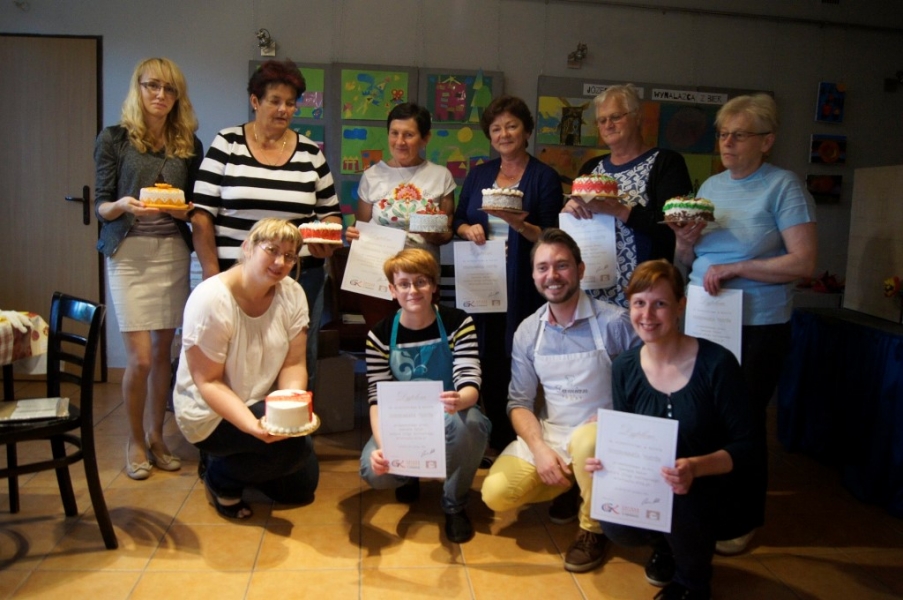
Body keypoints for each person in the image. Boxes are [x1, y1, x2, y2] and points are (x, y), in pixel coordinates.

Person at [671, 93, 817, 555]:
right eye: (722, 134)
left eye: (739, 135)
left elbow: (804, 263)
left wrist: (739, 268)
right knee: (703, 415)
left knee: (744, 420)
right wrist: (684, 242)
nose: (727, 143)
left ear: (767, 141)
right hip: (705, 317)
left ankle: (741, 517)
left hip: (757, 324)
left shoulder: (783, 187)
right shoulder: (711, 187)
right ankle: (705, 504)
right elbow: (688, 260)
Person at [585, 259, 764, 600]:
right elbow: (629, 434)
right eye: (639, 303)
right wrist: (608, 463)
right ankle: (666, 547)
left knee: (682, 497)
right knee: (614, 522)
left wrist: (695, 467)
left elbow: (748, 447)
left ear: (681, 306)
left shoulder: (717, 363)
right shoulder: (624, 367)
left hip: (713, 483)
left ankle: (693, 582)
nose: (647, 315)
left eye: (660, 304)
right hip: (660, 482)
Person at [480, 229, 638, 573]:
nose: (552, 275)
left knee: (587, 441)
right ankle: (572, 486)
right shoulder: (528, 331)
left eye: (562, 265)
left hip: (605, 436)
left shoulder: (616, 323)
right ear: (534, 275)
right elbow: (518, 402)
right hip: (554, 434)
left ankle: (593, 528)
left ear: (580, 270)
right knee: (496, 493)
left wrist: (618, 416)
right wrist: (539, 449)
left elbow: (647, 385)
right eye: (543, 267)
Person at [191, 59, 341, 394]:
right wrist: (212, 274)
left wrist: (326, 242)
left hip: (300, 277)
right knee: (234, 358)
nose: (284, 109)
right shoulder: (227, 143)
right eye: (275, 101)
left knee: (296, 359)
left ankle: (291, 422)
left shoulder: (310, 153)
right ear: (255, 101)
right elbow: (201, 215)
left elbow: (330, 213)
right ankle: (237, 424)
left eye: (290, 103)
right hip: (234, 276)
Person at [94, 57, 203, 480]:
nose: (160, 95)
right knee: (139, 359)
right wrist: (122, 205)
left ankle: (157, 437)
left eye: (169, 89)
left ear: (178, 96)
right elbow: (101, 204)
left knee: (163, 354)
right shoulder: (114, 138)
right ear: (137, 88)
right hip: (129, 255)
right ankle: (135, 439)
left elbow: (194, 205)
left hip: (172, 253)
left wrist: (183, 212)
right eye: (152, 86)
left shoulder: (188, 143)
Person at [173, 218, 318, 520]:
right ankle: (220, 477)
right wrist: (253, 427)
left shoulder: (292, 293)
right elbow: (209, 382)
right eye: (272, 250)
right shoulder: (211, 299)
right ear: (248, 247)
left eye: (289, 256)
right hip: (209, 413)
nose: (280, 262)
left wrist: (289, 408)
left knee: (301, 489)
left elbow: (294, 364)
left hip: (259, 400)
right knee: (293, 450)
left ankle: (243, 460)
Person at [453, 95, 563, 456]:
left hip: (523, 285)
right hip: (481, 282)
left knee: (520, 357)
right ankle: (497, 438)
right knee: (486, 357)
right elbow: (458, 219)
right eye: (496, 128)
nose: (504, 134)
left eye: (512, 126)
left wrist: (519, 225)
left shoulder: (544, 177)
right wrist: (468, 229)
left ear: (527, 131)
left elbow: (552, 236)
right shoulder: (479, 174)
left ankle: (525, 438)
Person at [359, 249, 490, 543]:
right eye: (404, 284)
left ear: (433, 285)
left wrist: (461, 399)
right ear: (392, 290)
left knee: (470, 426)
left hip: (452, 412)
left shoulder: (458, 322)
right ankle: (409, 473)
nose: (413, 291)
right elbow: (377, 398)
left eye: (420, 282)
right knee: (372, 470)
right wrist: (386, 448)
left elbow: (470, 379)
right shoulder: (379, 336)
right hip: (405, 424)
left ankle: (454, 503)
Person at [561, 84, 693, 308]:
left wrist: (620, 210)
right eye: (602, 120)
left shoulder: (666, 163)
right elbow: (572, 228)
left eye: (615, 117)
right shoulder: (591, 167)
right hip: (593, 291)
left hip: (643, 294)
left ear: (637, 117)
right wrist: (568, 213)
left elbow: (673, 228)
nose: (608, 125)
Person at [345, 102, 457, 328]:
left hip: (421, 278)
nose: (399, 141)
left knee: (421, 337)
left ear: (425, 138)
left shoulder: (441, 176)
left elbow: (447, 232)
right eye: (394, 133)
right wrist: (353, 234)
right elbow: (362, 226)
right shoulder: (372, 175)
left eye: (409, 135)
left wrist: (433, 234)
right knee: (382, 335)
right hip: (378, 277)